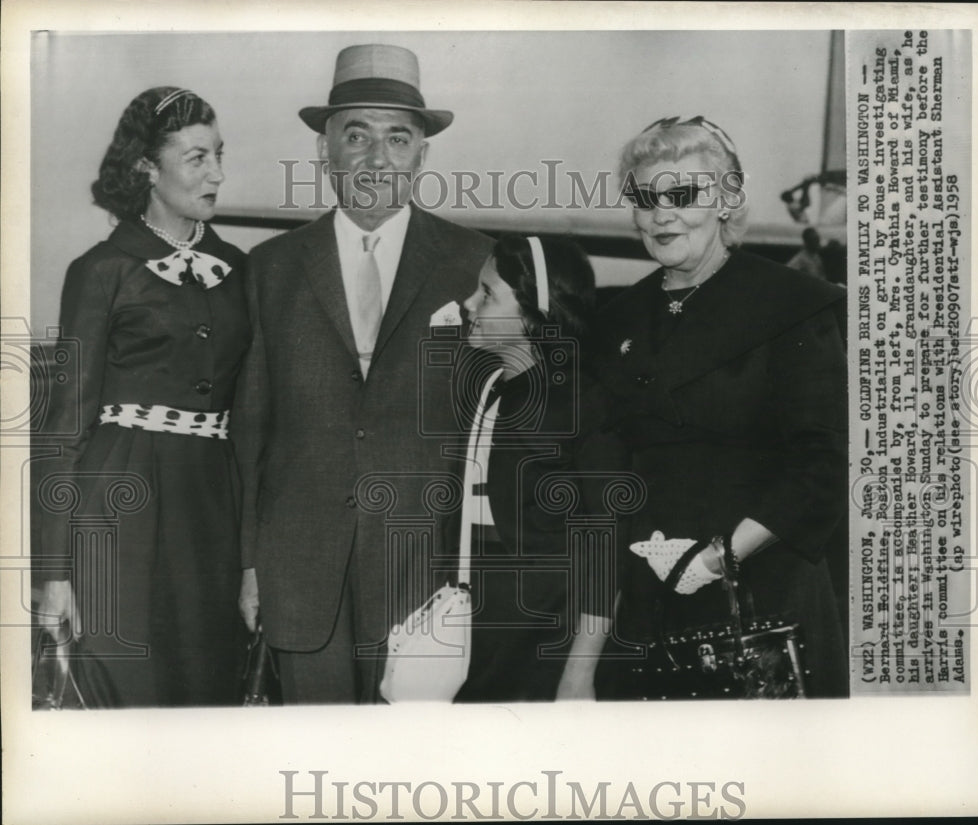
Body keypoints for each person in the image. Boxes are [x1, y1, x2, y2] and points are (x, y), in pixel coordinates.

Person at [232, 44, 493, 703]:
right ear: (326, 150)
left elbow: (500, 427)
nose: (377, 159)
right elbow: (250, 427)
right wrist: (249, 561)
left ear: (422, 155)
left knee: (408, 767)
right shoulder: (271, 269)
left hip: (426, 572)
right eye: (357, 135)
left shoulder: (476, 263)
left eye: (397, 138)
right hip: (298, 572)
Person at [580, 115, 849, 698]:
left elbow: (821, 466)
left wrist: (718, 558)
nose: (661, 213)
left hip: (763, 597)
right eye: (645, 198)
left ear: (726, 202)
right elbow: (605, 473)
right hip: (650, 595)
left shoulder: (792, 304)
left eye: (682, 195)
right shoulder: (617, 320)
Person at [35, 87, 249, 707]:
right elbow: (64, 427)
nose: (217, 173)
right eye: (196, 158)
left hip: (211, 507)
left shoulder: (239, 270)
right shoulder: (101, 270)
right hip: (117, 505)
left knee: (207, 687)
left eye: (218, 155)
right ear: (147, 170)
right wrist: (53, 572)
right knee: (124, 688)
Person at [451, 234, 605, 702]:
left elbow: (606, 547)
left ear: (534, 311)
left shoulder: (583, 400)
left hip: (543, 635)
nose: (467, 303)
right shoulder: (488, 387)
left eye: (487, 294)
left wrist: (580, 674)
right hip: (478, 619)